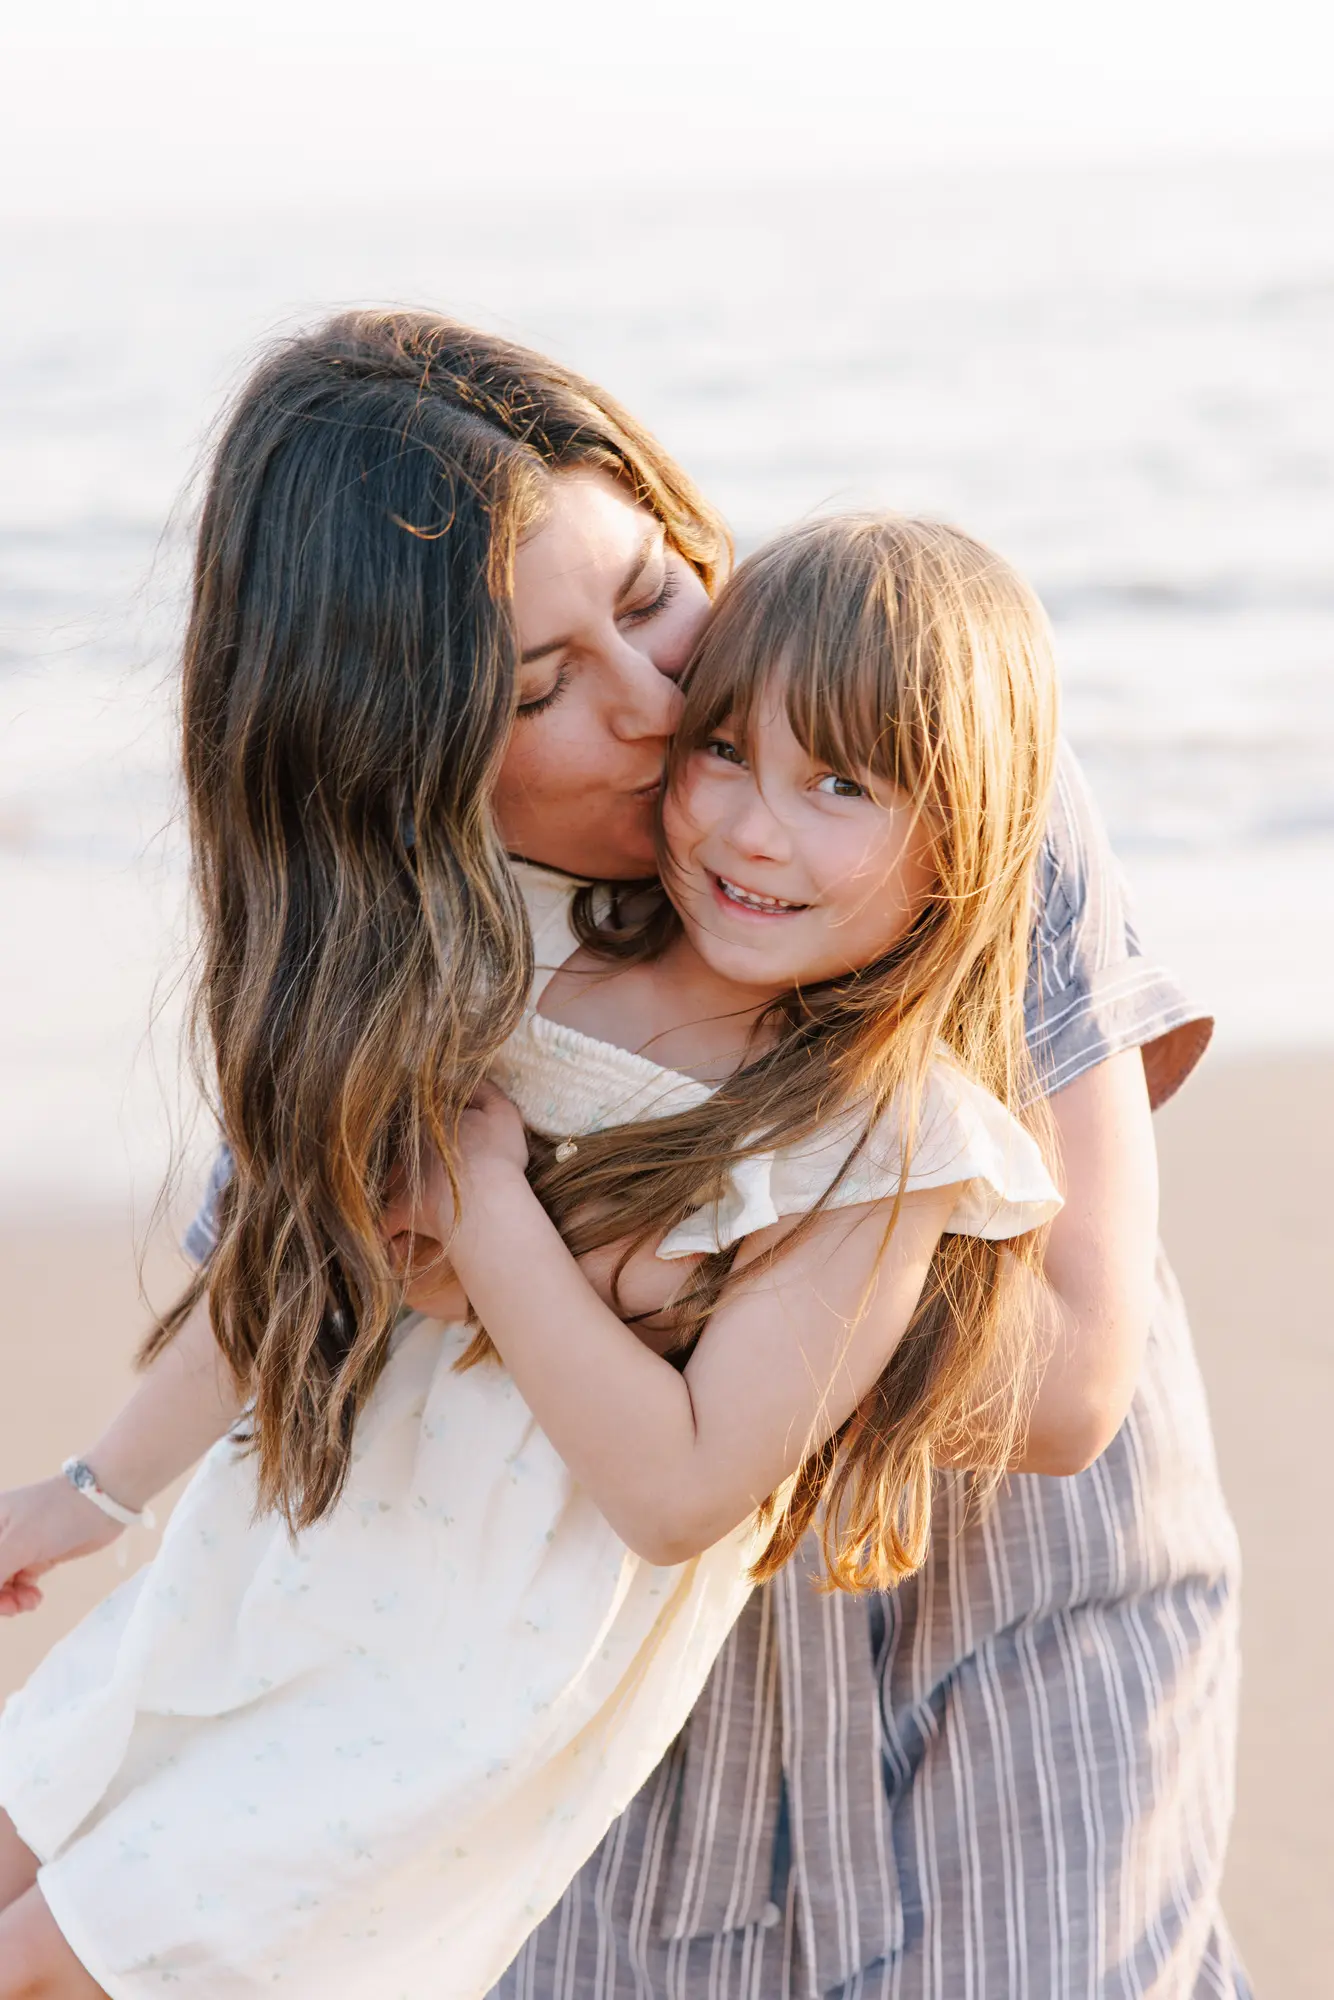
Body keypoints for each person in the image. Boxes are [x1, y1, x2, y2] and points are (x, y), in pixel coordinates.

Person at [0, 311, 1247, 1999]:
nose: (665, 708)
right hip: (566, 1767)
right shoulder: (415, 955)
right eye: (543, 688)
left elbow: (1067, 1385)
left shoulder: (912, 749)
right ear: (401, 755)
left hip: (995, 1684)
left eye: (652, 595)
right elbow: (311, 1288)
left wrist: (568, 1249)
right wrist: (94, 1490)